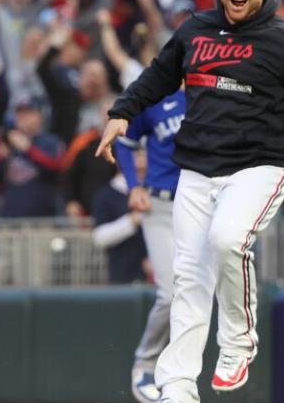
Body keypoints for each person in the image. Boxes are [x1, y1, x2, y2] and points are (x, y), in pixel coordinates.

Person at [96, 0, 284, 402]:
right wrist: (122, 112)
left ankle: (237, 345)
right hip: (197, 168)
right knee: (187, 277)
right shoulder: (196, 28)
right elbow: (159, 75)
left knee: (228, 240)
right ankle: (177, 384)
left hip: (261, 166)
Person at [113, 84, 187, 403]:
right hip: (161, 206)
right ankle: (146, 362)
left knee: (202, 292)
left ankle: (181, 371)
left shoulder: (219, 93)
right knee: (171, 292)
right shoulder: (159, 97)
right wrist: (133, 185)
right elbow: (124, 141)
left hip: (205, 205)